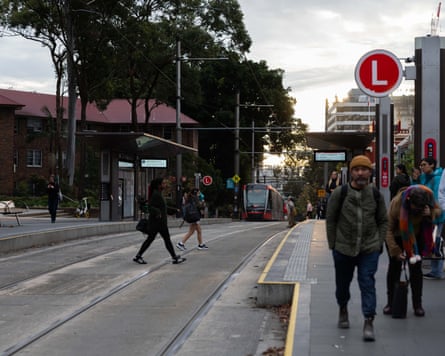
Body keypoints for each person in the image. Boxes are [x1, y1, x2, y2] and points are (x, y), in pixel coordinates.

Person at [326, 155, 388, 342]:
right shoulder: (340, 193)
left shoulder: (376, 195)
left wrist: (378, 244)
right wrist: (333, 244)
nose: (360, 173)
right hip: (343, 248)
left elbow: (383, 220)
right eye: (356, 169)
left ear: (370, 172)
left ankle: (369, 320)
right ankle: (343, 308)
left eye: (364, 169)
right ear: (351, 172)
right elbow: (331, 219)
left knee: (367, 282)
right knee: (342, 285)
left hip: (369, 248)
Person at [384, 185, 440, 317]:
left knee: (416, 270)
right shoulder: (397, 203)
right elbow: (388, 229)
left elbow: (439, 211)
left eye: (421, 208)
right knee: (394, 268)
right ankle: (391, 303)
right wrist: (396, 250)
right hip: (398, 234)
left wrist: (431, 212)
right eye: (416, 208)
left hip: (417, 236)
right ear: (409, 201)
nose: (418, 211)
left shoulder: (429, 196)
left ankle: (417, 305)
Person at [133, 178, 186, 265]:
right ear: (159, 185)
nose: (165, 185)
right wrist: (158, 213)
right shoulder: (156, 194)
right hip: (158, 223)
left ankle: (138, 256)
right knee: (165, 240)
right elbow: (150, 207)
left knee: (151, 240)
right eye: (163, 183)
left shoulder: (158, 194)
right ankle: (174, 257)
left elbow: (163, 208)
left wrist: (174, 210)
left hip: (158, 222)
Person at [419, 157, 445, 279]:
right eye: (421, 165)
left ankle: (437, 271)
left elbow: (437, 197)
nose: (422, 167)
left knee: (437, 241)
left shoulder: (438, 178)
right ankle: (435, 269)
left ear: (432, 165)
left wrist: (432, 210)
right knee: (432, 240)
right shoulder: (425, 178)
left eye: (424, 164)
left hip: (437, 215)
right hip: (428, 215)